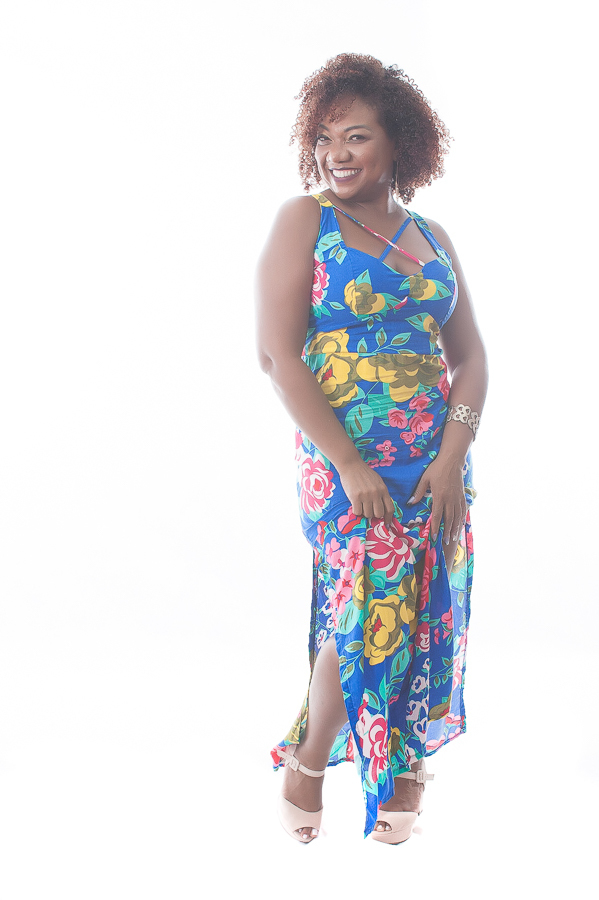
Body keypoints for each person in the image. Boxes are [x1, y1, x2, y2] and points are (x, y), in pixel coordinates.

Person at [255, 53, 488, 844]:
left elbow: (471, 359)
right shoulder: (306, 220)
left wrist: (451, 457)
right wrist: (350, 465)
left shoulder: (431, 235)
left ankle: (403, 765)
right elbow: (277, 356)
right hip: (343, 453)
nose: (336, 153)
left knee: (422, 600)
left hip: (435, 456)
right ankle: (310, 757)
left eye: (355, 136)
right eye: (323, 138)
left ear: (400, 144)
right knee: (367, 596)